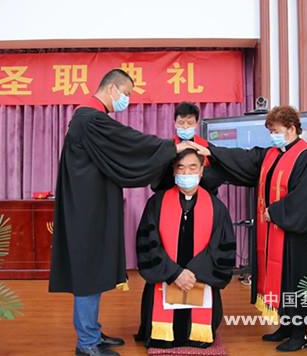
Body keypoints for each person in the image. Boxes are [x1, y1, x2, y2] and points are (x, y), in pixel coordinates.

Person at [48, 69, 193, 356]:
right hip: (86, 212)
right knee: (89, 272)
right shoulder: (91, 118)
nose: (126, 99)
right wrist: (172, 147)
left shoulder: (88, 117)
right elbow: (130, 141)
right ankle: (87, 344)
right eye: (126, 93)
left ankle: (93, 332)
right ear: (112, 88)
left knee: (95, 268)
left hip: (91, 207)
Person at [188, 106, 307, 352]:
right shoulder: (273, 154)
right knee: (281, 283)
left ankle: (300, 334)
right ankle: (285, 326)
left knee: (295, 281)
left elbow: (306, 196)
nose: (272, 135)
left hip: (296, 239)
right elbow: (244, 160)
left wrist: (275, 211)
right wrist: (212, 151)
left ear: (292, 128)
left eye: (275, 130)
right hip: (273, 233)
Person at [135, 149, 236, 348]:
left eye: (192, 168)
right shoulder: (156, 203)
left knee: (197, 337)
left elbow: (221, 249)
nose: (186, 174)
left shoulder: (217, 207)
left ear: (201, 172)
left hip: (201, 280)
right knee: (160, 337)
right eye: (181, 168)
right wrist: (174, 273)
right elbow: (149, 244)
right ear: (173, 171)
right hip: (165, 278)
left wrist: (192, 273)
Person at [151, 102, 223, 193]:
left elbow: (218, 174)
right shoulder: (166, 148)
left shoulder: (206, 147)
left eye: (190, 123)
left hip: (202, 195)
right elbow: (156, 181)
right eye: (181, 123)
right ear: (175, 123)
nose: (185, 126)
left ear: (196, 124)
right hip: (171, 195)